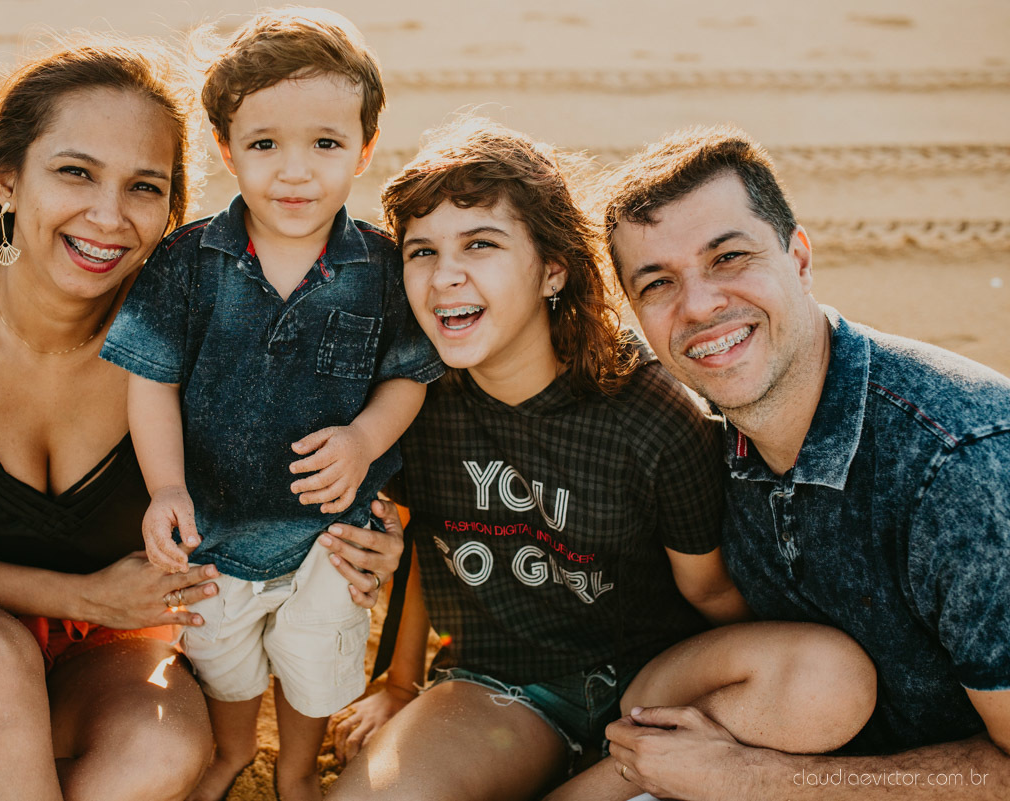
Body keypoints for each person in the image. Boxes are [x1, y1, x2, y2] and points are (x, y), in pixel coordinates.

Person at [0, 35, 401, 801]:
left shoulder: (192, 327)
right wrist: (80, 596)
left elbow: (303, 446)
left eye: (144, 187)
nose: (108, 216)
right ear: (9, 180)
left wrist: (369, 529)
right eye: (75, 172)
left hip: (106, 646)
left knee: (165, 750)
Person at [324, 119, 875, 801]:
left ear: (553, 268)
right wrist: (402, 683)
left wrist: (746, 710)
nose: (446, 276)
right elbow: (425, 543)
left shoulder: (649, 413)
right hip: (500, 685)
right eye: (421, 251)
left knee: (830, 674)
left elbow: (708, 592)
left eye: (481, 244)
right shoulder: (414, 399)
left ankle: (618, 776)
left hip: (647, 688)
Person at [599, 125, 1010, 800]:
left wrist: (754, 778)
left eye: (729, 258)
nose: (699, 305)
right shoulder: (702, 440)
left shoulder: (960, 471)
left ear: (800, 258)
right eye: (657, 283)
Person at [100, 10, 442, 801]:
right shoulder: (190, 261)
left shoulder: (380, 267)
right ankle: (229, 754)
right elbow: (150, 376)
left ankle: (292, 768)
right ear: (226, 148)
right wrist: (166, 489)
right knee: (224, 659)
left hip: (332, 529)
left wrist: (364, 436)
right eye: (264, 145)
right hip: (214, 523)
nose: (295, 172)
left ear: (365, 146)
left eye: (325, 144)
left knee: (317, 654)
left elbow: (409, 375)